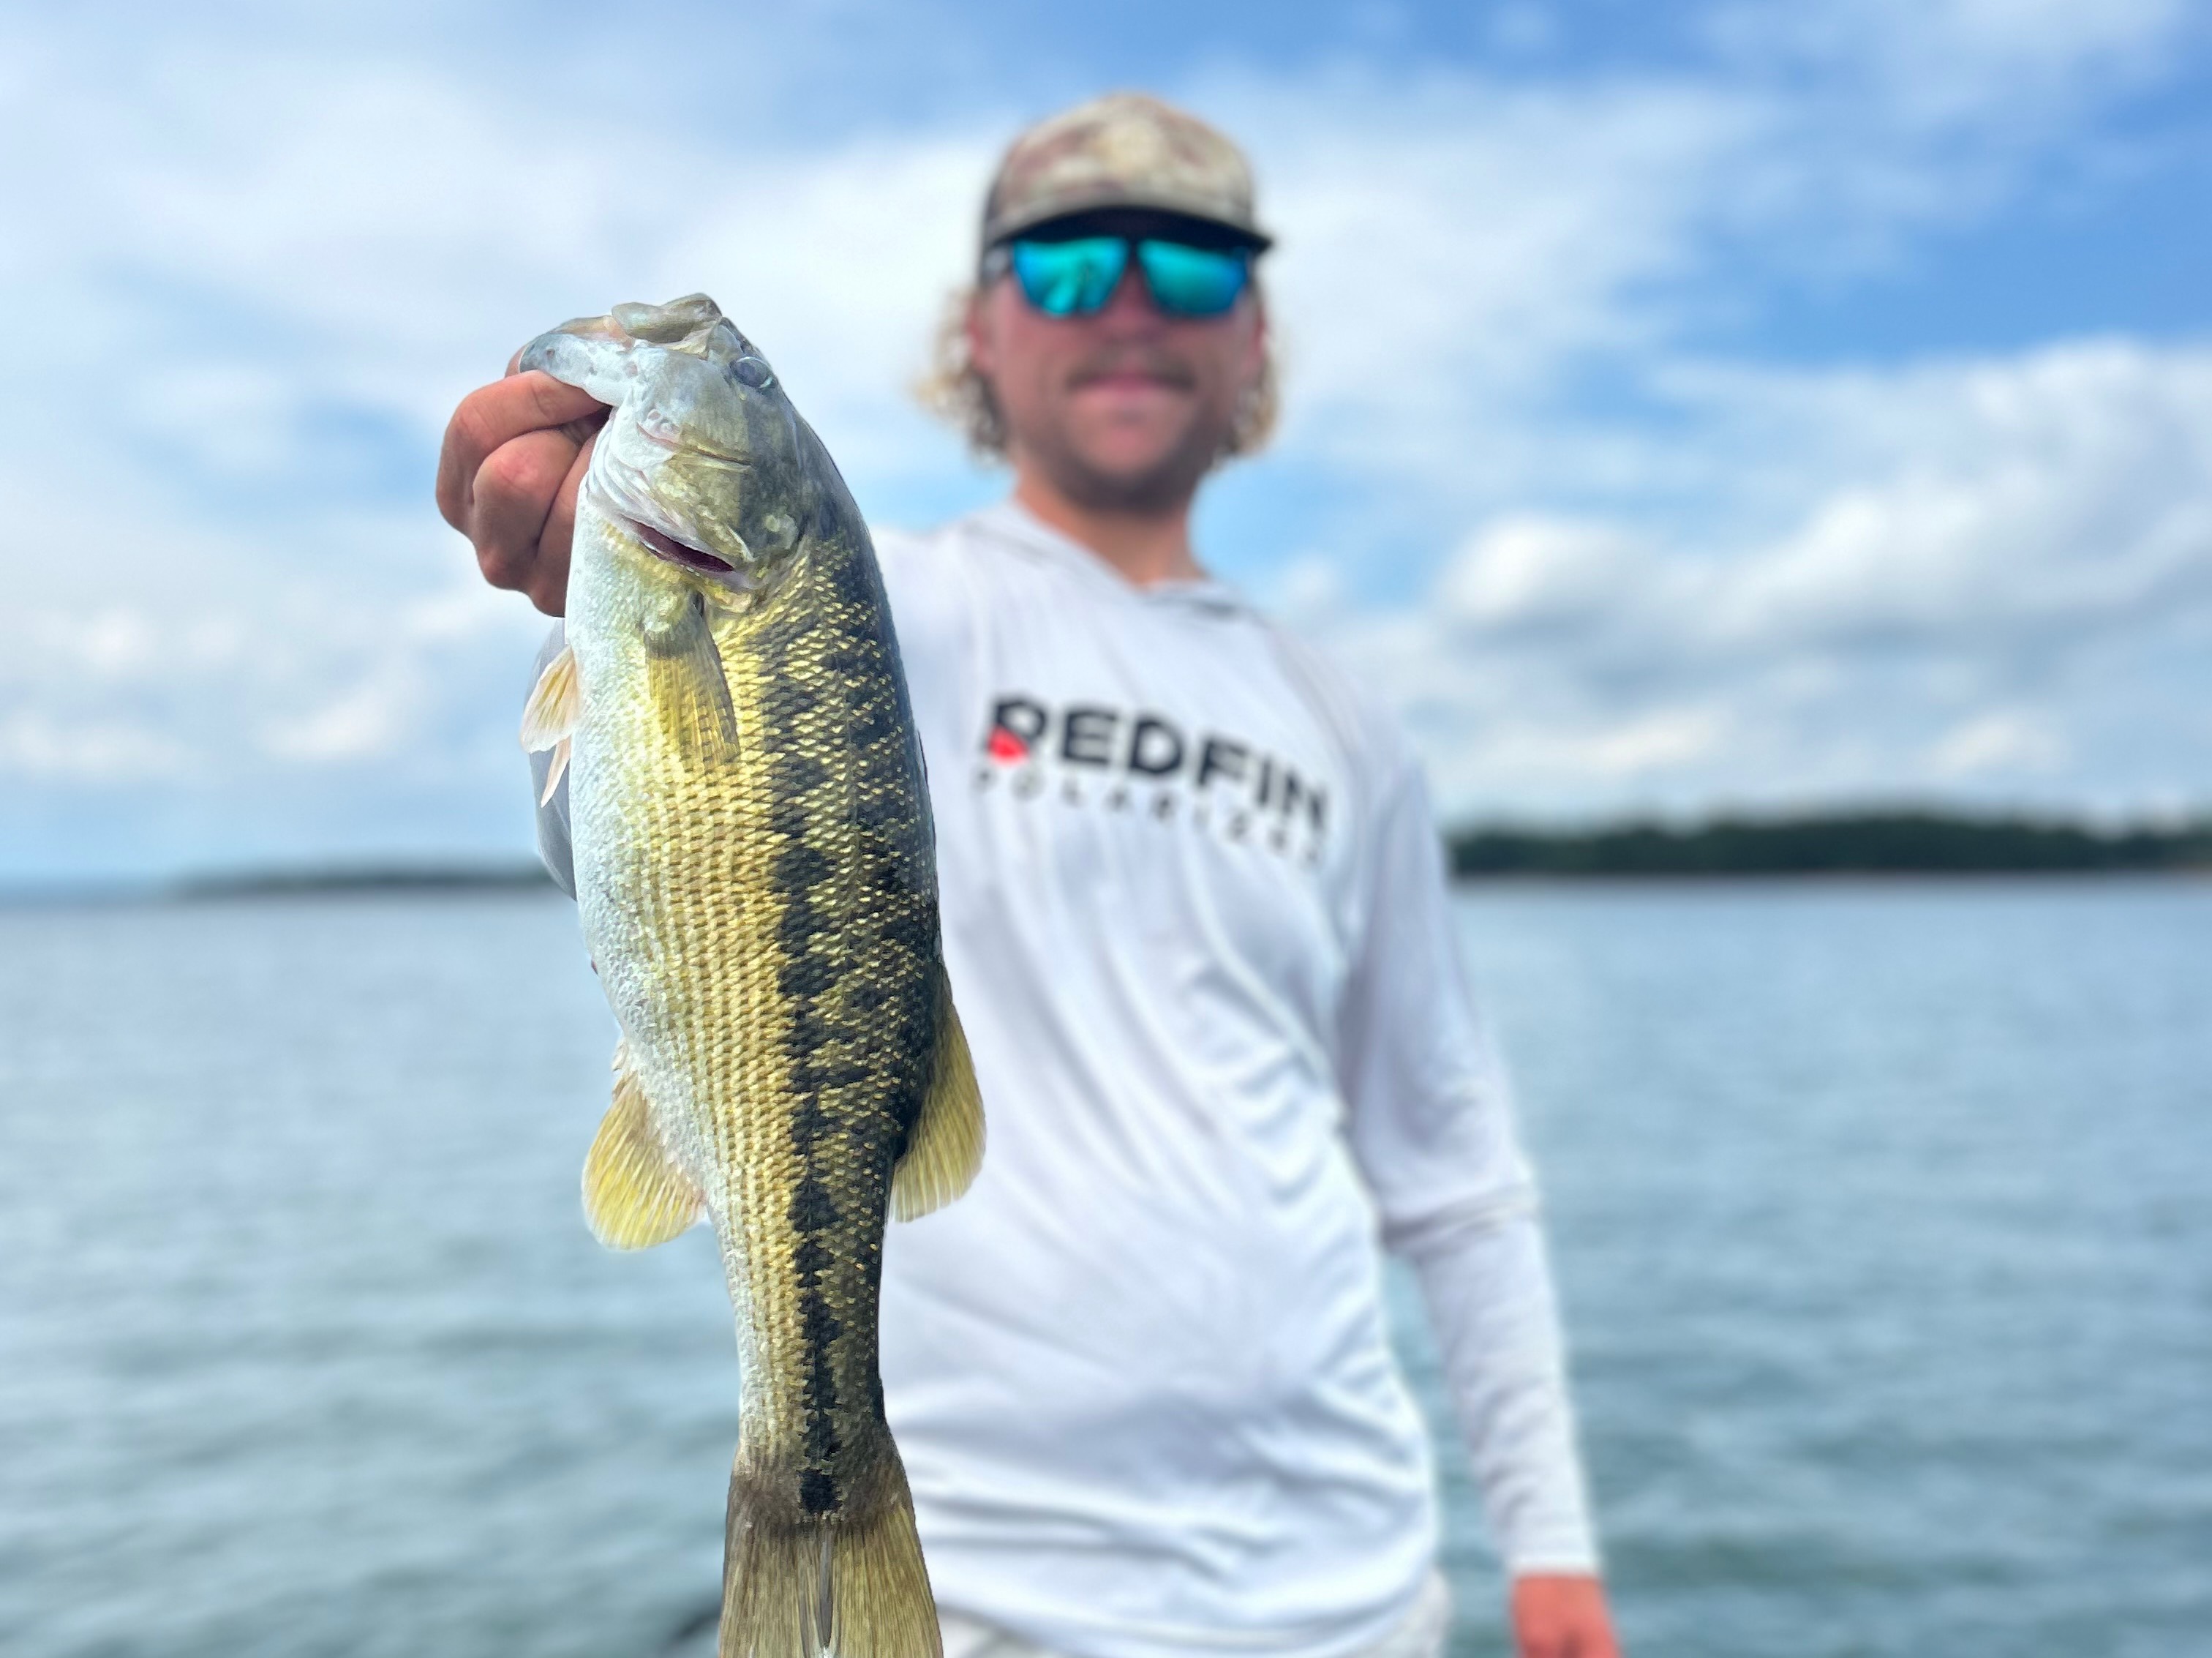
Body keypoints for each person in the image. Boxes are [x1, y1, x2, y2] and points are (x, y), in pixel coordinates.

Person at [436, 92, 1620, 1658]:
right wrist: (580, 570)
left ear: (1252, 335)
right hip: (975, 1596)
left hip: (1349, 1590)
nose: (1127, 304)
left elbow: (1454, 1159)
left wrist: (1550, 1549)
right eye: (1065, 268)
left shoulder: (1348, 722)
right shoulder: (878, 590)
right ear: (979, 331)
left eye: (1189, 269)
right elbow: (650, 838)